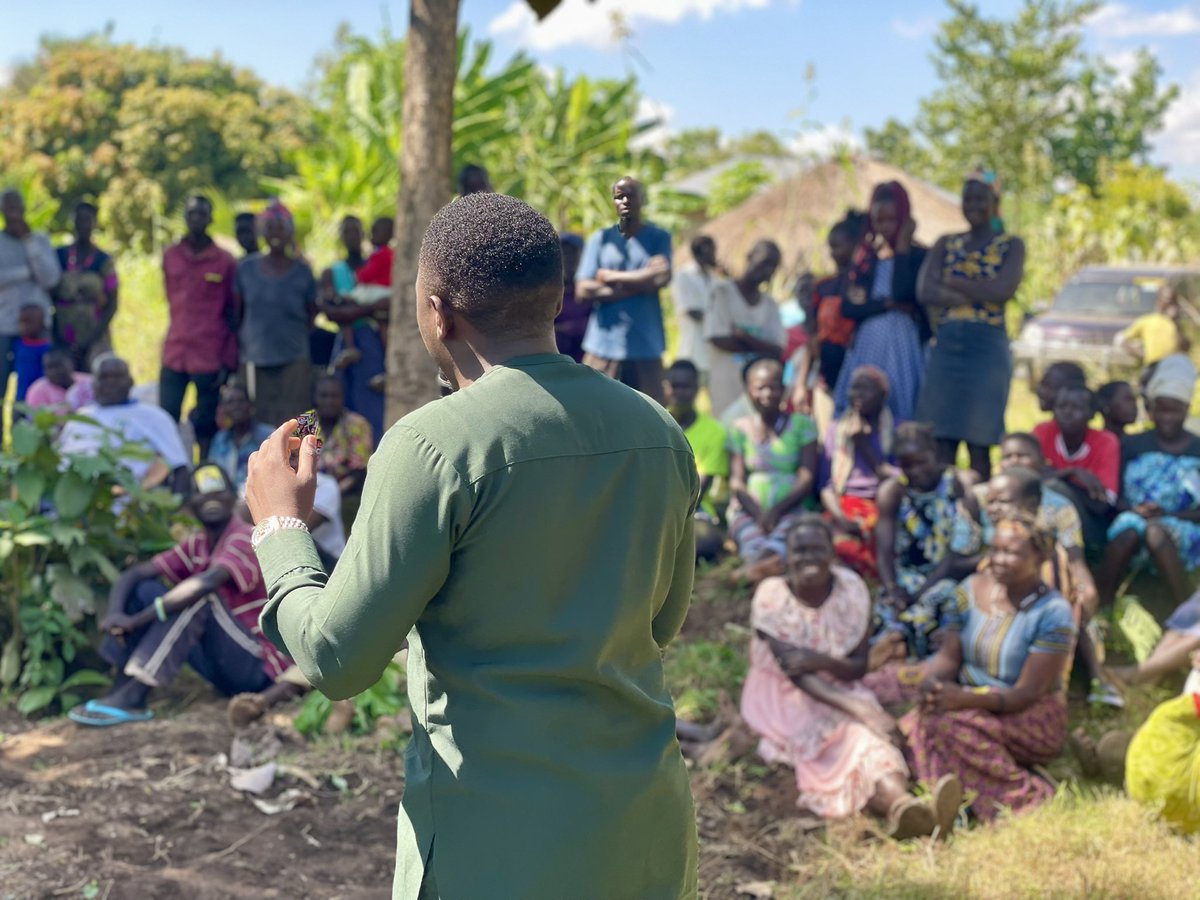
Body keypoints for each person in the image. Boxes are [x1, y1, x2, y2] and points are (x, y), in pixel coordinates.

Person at [244, 192, 698, 898]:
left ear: (437, 311)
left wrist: (279, 528)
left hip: (494, 841)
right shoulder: (658, 430)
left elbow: (335, 657)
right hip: (643, 828)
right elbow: (661, 623)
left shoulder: (432, 445)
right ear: (557, 300)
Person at [741, 515, 962, 838]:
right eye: (799, 550)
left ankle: (906, 808)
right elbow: (797, 674)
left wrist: (819, 660)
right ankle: (902, 808)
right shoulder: (771, 596)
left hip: (839, 682)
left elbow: (858, 666)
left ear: (832, 553)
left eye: (817, 549)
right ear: (786, 556)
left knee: (876, 737)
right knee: (849, 737)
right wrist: (859, 708)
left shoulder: (851, 589)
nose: (808, 558)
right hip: (783, 694)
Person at [68, 464, 290, 727]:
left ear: (233, 496)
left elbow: (206, 583)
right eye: (202, 494)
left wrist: (137, 620)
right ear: (190, 503)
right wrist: (116, 612)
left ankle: (136, 695)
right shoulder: (198, 544)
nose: (211, 500)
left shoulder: (246, 537)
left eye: (218, 493)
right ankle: (122, 685)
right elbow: (135, 574)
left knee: (198, 595)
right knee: (145, 589)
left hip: (255, 665)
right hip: (220, 662)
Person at [898, 516, 1076, 823]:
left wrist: (965, 700)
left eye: (1011, 553)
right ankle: (953, 805)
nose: (998, 560)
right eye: (994, 550)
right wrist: (934, 683)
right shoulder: (969, 590)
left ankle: (1026, 797)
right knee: (910, 725)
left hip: (1029, 714)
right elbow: (949, 656)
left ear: (1040, 557)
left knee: (949, 727)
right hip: (971, 702)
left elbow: (1027, 692)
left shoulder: (1052, 612)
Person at [917, 175, 1025, 480]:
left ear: (995, 204)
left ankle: (980, 508)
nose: (973, 205)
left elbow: (1003, 290)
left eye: (980, 199)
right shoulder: (946, 243)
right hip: (948, 346)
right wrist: (980, 290)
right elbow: (926, 291)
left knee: (981, 441)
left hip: (987, 349)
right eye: (968, 199)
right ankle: (945, 507)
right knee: (941, 439)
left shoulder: (1010, 245)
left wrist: (954, 282)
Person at [995, 433, 1111, 705]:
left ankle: (1090, 680)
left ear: (1042, 463)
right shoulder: (987, 497)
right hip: (994, 576)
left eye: (1023, 455)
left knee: (1064, 586)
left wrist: (1087, 586)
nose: (1015, 461)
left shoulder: (1059, 506)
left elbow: (1074, 557)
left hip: (1044, 581)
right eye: (1008, 456)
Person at [1100, 355, 1200, 609]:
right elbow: (1115, 495)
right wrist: (1134, 510)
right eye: (1160, 409)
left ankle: (1186, 613)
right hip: (1134, 517)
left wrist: (1170, 513)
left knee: (1156, 532)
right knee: (1129, 532)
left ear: (1186, 410)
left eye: (1174, 410)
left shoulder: (1197, 448)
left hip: (1183, 525)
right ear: (1151, 410)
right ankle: (1103, 606)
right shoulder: (1132, 445)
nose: (1167, 417)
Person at [874, 422, 981, 661]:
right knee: (890, 610)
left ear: (936, 453)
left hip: (951, 575)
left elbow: (958, 556)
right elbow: (884, 551)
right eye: (906, 465)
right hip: (908, 575)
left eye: (922, 461)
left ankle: (925, 656)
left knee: (940, 605)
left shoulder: (958, 486)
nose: (915, 471)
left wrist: (920, 593)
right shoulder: (893, 491)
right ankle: (895, 647)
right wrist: (893, 589)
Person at [833, 181, 927, 424]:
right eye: (879, 221)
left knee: (898, 407)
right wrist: (887, 306)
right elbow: (849, 306)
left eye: (892, 220)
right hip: (868, 345)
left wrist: (903, 247)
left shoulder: (918, 256)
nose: (885, 227)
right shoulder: (866, 260)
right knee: (860, 406)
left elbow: (903, 293)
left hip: (902, 347)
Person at [576, 176, 672, 404]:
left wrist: (610, 276)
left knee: (651, 414)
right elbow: (583, 290)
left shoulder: (658, 238)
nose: (625, 201)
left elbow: (661, 276)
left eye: (631, 195)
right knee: (594, 409)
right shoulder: (600, 239)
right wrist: (639, 284)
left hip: (646, 345)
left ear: (643, 199)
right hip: (604, 346)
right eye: (619, 196)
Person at [727, 357, 818, 584]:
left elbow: (807, 476)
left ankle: (750, 571)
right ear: (748, 391)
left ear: (784, 389)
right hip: (749, 510)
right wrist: (759, 514)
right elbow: (737, 481)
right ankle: (764, 565)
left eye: (774, 386)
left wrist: (776, 511)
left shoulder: (802, 424)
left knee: (789, 530)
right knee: (751, 536)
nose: (767, 394)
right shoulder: (739, 428)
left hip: (792, 508)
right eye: (760, 388)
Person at [161, 195, 238, 458]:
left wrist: (228, 358)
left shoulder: (225, 261)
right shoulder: (170, 256)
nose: (196, 219)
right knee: (167, 415)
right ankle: (172, 469)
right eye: (191, 213)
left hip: (209, 353)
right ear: (185, 216)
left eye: (201, 214)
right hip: (175, 351)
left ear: (210, 219)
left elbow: (233, 312)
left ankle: (204, 470)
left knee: (206, 422)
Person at [58, 355, 191, 495]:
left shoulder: (154, 417)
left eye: (117, 378)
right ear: (93, 384)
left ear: (131, 382)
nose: (110, 384)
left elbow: (180, 468)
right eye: (104, 378)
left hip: (135, 501)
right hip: (84, 499)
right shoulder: (80, 418)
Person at [235, 200, 317, 429]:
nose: (276, 233)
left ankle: (309, 462)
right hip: (256, 357)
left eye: (281, 227)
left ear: (290, 231)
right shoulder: (246, 269)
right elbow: (237, 311)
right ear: (262, 232)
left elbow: (312, 313)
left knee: (301, 419)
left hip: (294, 356)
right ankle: (264, 464)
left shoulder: (303, 271)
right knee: (260, 421)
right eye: (270, 227)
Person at [819, 365, 895, 578]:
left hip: (882, 506)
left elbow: (897, 479)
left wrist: (862, 444)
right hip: (842, 505)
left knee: (879, 548)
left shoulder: (896, 430)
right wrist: (842, 519)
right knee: (833, 545)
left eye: (866, 390)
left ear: (882, 395)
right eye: (854, 389)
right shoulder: (836, 429)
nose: (858, 396)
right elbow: (826, 484)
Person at [320, 215, 387, 444]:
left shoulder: (377, 265)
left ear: (363, 234)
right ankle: (340, 459)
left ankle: (373, 459)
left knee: (373, 401)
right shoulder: (332, 271)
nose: (351, 236)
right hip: (346, 342)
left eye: (355, 231)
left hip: (372, 342)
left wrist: (351, 309)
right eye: (346, 231)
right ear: (340, 237)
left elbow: (389, 303)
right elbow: (331, 312)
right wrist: (369, 309)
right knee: (338, 399)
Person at [0, 188, 60, 435]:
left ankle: (26, 446)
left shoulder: (40, 240)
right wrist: (25, 273)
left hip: (36, 334)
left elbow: (50, 278)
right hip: (4, 329)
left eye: (18, 208)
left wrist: (29, 245)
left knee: (32, 393)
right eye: (9, 209)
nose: (14, 215)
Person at [706, 240, 786, 418]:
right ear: (750, 257)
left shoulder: (770, 305)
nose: (767, 270)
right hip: (726, 387)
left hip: (759, 394)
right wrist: (760, 347)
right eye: (764, 261)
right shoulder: (722, 292)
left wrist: (745, 337)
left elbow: (777, 349)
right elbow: (718, 338)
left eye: (772, 266)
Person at [1034, 383, 1119, 549]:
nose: (1067, 413)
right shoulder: (1043, 432)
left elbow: (1102, 505)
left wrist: (1053, 475)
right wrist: (1071, 473)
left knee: (1053, 487)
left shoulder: (1105, 442)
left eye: (1076, 408)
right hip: (1042, 516)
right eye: (1061, 406)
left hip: (1089, 526)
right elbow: (1024, 478)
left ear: (1092, 414)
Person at [799, 211, 865, 423]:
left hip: (857, 376)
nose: (832, 253)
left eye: (837, 246)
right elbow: (811, 337)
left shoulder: (864, 284)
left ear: (856, 245)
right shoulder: (823, 287)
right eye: (830, 247)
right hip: (825, 378)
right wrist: (801, 384)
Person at [663, 359, 728, 560]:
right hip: (656, 506)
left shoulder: (715, 432)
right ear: (665, 387)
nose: (680, 393)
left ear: (697, 389)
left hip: (695, 511)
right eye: (675, 386)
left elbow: (698, 489)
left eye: (686, 386)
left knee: (705, 541)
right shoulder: (654, 423)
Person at [53, 200, 118, 372]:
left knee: (97, 379)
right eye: (79, 219)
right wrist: (57, 336)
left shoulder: (103, 260)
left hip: (94, 333)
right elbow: (50, 293)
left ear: (94, 223)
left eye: (87, 220)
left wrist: (93, 338)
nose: (83, 224)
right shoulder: (59, 255)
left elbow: (112, 302)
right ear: (73, 222)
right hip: (63, 333)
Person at [312, 374, 373, 526]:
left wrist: (332, 493)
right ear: (315, 398)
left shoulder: (357, 424)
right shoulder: (305, 424)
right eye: (324, 396)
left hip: (345, 491)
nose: (329, 401)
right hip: (311, 489)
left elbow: (358, 472)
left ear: (343, 398)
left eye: (334, 396)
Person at [208, 380, 275, 495]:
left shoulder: (268, 436)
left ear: (250, 405)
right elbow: (212, 475)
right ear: (224, 409)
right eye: (230, 402)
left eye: (240, 401)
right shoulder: (220, 440)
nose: (236, 407)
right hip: (227, 501)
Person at [672, 235, 719, 379]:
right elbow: (690, 310)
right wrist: (719, 318)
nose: (714, 255)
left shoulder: (713, 278)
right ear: (702, 252)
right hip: (693, 343)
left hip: (712, 345)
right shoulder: (683, 275)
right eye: (711, 251)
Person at [1120, 282, 1186, 369]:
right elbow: (1124, 341)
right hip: (1153, 367)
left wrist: (1176, 323)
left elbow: (1185, 348)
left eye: (1172, 301)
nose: (1169, 304)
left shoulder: (1176, 324)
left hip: (1173, 369)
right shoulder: (1148, 321)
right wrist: (1144, 356)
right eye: (1167, 300)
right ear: (1159, 300)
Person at [24, 347, 94, 413]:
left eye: (58, 366)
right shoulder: (37, 391)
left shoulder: (89, 382)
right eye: (49, 368)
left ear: (71, 363)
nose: (54, 372)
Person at [554, 233, 589, 362]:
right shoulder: (548, 288)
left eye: (573, 253)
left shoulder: (590, 289)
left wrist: (571, 328)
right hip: (554, 361)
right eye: (563, 253)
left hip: (585, 363)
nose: (567, 258)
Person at [12, 301, 51, 402]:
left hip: (40, 395)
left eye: (29, 323)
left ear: (42, 323)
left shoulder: (47, 347)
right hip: (21, 394)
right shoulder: (18, 343)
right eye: (21, 322)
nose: (23, 327)